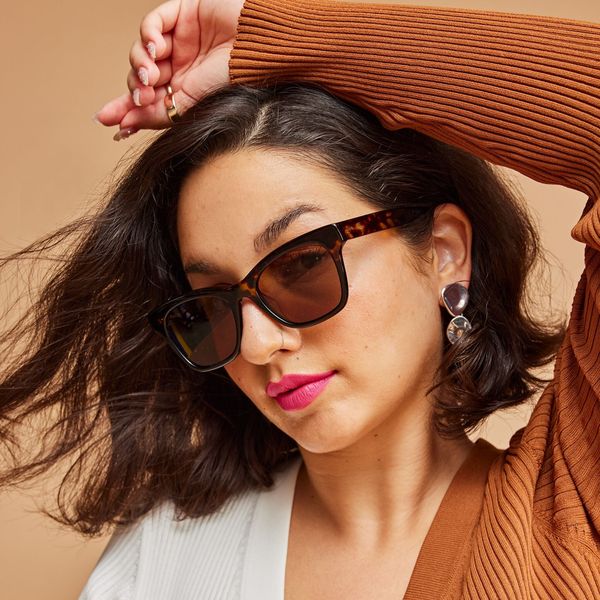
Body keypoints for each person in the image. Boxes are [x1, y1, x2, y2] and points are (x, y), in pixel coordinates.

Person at [0, 0, 598, 598]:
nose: (257, 345)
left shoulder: (571, 512)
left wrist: (286, 39)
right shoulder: (164, 560)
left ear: (445, 251)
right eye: (213, 302)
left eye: (303, 265)